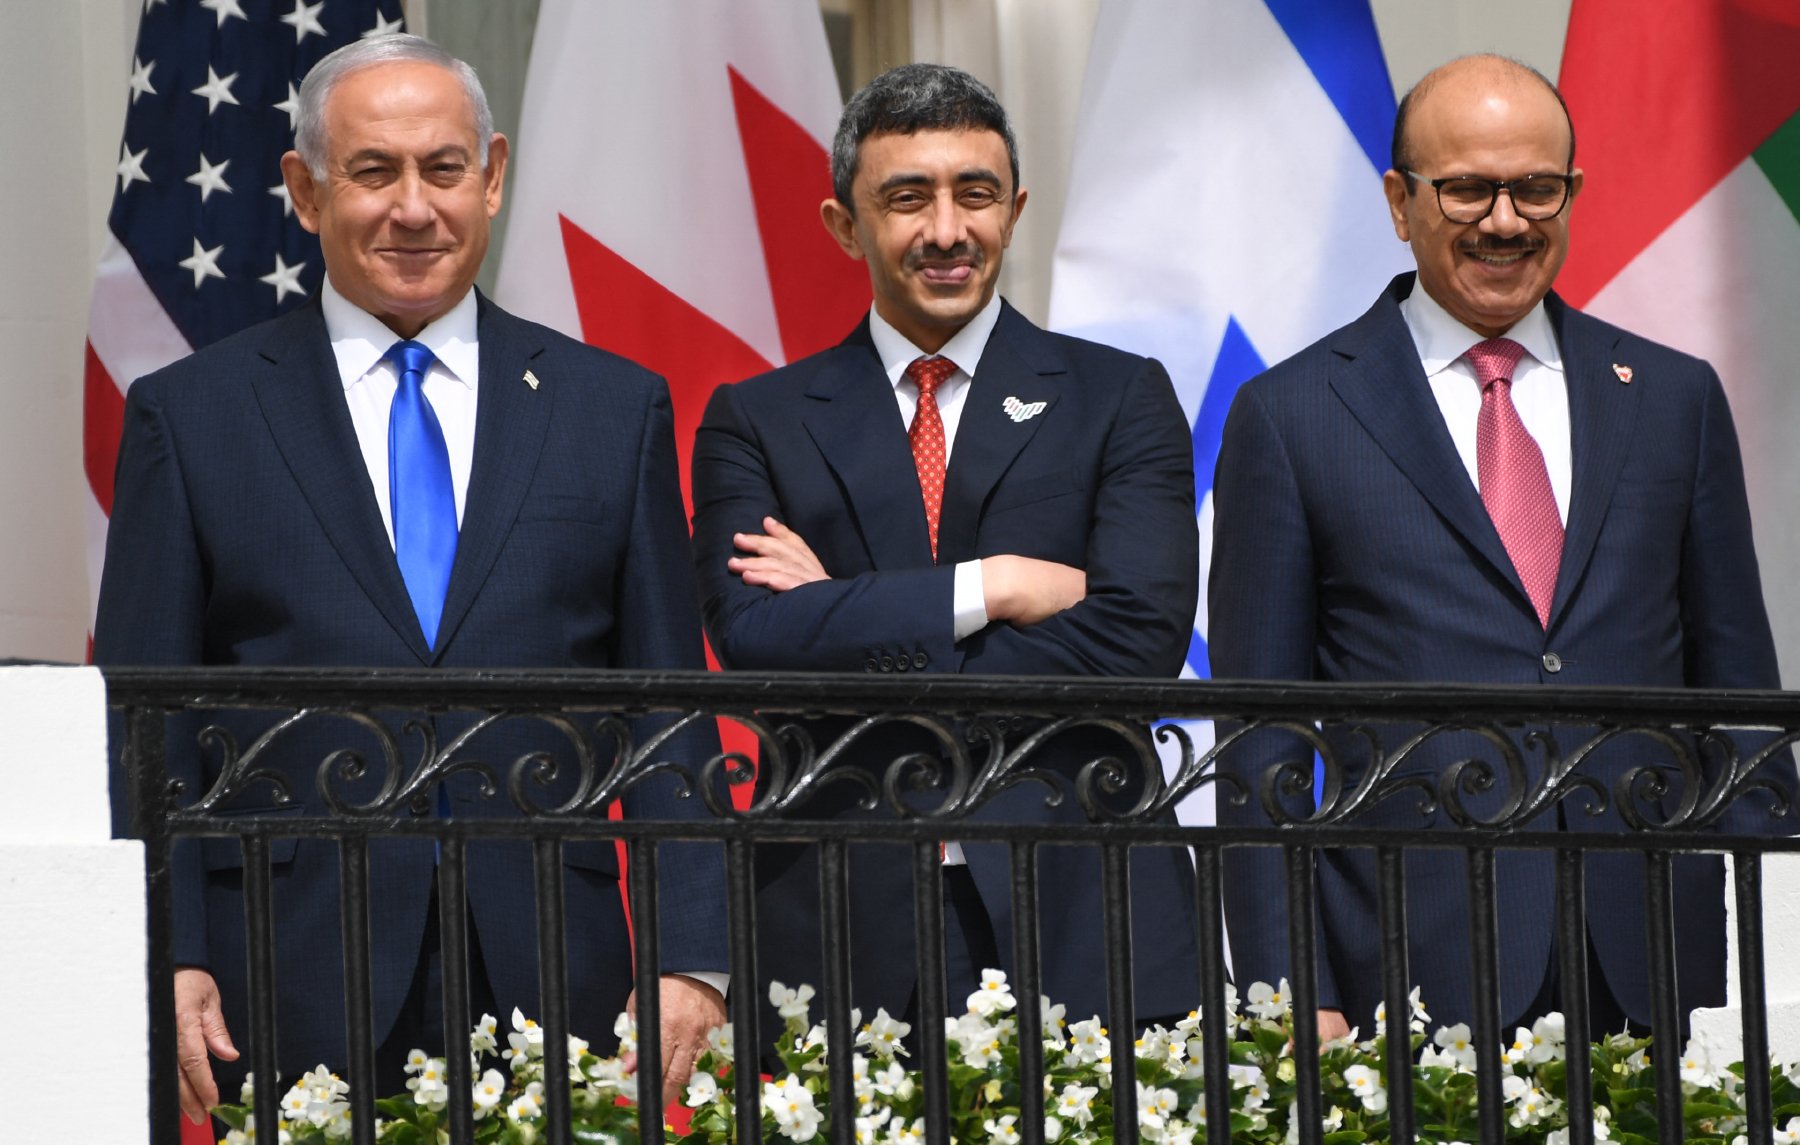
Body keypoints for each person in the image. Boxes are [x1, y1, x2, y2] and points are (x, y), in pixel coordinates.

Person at [94, 34, 725, 1123]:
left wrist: (693, 954)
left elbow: (667, 706)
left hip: (552, 963)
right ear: (304, 189)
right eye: (374, 171)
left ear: (492, 177)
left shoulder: (612, 409)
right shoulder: (191, 416)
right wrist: (171, 944)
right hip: (283, 970)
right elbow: (149, 720)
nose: (415, 208)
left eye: (443, 169)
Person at [1209, 54, 1792, 1039]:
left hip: (1648, 959)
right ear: (1399, 201)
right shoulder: (1292, 415)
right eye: (1468, 188)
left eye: (1536, 187)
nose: (1506, 219)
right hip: (1407, 962)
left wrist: (1754, 928)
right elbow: (1256, 739)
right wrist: (1291, 988)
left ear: (1572, 192)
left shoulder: (1672, 398)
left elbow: (1739, 695)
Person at [689, 63, 1201, 1036]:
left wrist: (843, 611)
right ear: (845, 224)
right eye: (906, 197)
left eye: (974, 194)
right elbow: (754, 638)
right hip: (837, 918)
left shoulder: (1120, 397)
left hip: (1085, 908)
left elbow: (1137, 641)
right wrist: (992, 585)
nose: (946, 231)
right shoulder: (755, 421)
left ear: (1013, 207)